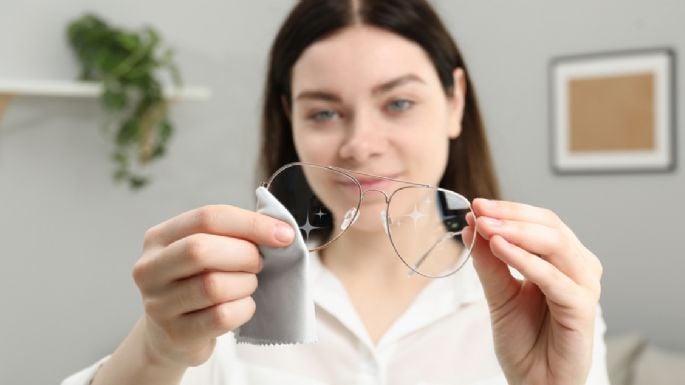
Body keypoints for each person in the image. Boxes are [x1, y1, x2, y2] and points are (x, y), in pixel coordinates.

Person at [63, 1, 609, 384]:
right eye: (325, 111)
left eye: (398, 103)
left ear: (455, 101)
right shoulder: (228, 300)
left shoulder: (539, 303)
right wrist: (158, 349)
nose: (361, 144)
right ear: (290, 119)